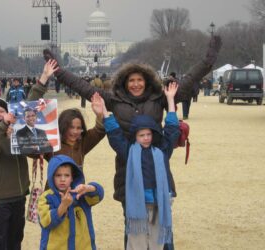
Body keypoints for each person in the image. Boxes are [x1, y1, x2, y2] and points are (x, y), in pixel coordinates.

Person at [43, 35, 222, 249]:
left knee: (162, 229)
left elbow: (187, 83)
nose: (136, 84)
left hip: (155, 166)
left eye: (139, 80)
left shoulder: (158, 98)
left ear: (146, 81)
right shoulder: (113, 99)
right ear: (124, 83)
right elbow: (83, 87)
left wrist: (208, 62)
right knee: (133, 227)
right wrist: (59, 71)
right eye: (131, 81)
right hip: (127, 166)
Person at [97, 83, 179, 250]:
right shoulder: (129, 152)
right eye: (142, 135)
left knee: (159, 243)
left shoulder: (161, 150)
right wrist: (105, 112)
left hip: (159, 203)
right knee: (136, 244)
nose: (146, 138)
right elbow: (115, 135)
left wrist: (170, 99)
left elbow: (171, 130)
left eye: (149, 134)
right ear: (135, 136)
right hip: (138, 204)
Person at [0, 97, 29, 250]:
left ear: (9, 113)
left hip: (19, 195)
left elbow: (30, 106)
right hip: (0, 198)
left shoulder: (18, 130)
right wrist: (2, 126)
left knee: (15, 239)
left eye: (2, 111)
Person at [38, 155, 104, 250]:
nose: (63, 179)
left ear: (72, 177)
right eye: (58, 175)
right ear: (51, 177)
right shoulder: (46, 197)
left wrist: (88, 188)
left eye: (67, 175)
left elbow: (99, 196)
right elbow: (46, 222)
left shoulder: (80, 194)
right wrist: (63, 206)